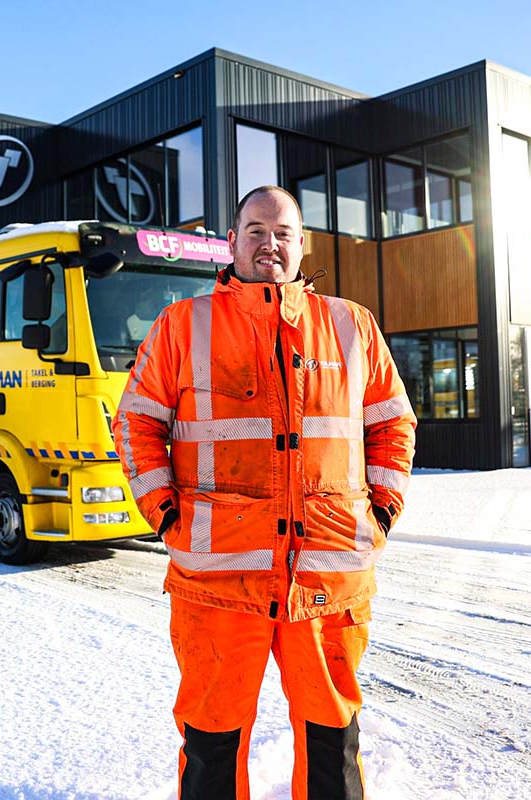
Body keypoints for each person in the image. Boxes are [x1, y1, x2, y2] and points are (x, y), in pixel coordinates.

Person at [113, 186, 416, 799]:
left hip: (328, 575)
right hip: (219, 578)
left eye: (282, 233)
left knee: (332, 733)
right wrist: (165, 511)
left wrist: (381, 509)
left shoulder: (351, 325)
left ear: (303, 245)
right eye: (255, 230)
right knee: (213, 737)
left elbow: (392, 422)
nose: (268, 244)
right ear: (231, 241)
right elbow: (136, 422)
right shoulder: (183, 324)